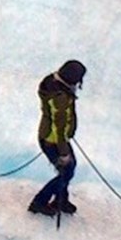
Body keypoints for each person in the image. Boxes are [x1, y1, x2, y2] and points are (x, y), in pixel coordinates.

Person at [28, 60, 86, 217]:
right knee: (66, 172)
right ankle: (39, 202)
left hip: (53, 138)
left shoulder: (54, 85)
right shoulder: (60, 98)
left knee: (68, 170)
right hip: (52, 140)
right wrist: (64, 152)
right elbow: (59, 128)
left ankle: (61, 199)